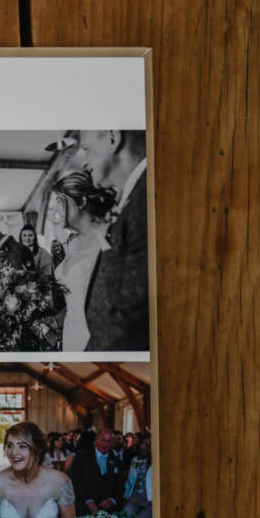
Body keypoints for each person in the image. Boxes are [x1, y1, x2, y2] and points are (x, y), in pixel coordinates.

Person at [74, 129, 149, 351]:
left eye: (86, 149)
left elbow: (134, 318)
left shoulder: (146, 200)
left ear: (113, 138)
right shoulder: (134, 198)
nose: (84, 163)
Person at [47, 170, 120, 351]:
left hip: (94, 337)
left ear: (81, 202)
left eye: (60, 201)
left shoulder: (105, 240)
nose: (56, 209)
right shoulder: (71, 243)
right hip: (70, 336)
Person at [0, 422, 76, 518]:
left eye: (22, 446)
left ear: (38, 449)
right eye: (9, 445)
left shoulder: (59, 481)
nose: (13, 452)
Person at [69, 429, 125, 514]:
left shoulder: (118, 462)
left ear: (113, 444)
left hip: (108, 507)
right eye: (103, 440)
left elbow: (120, 485)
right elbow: (76, 481)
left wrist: (112, 500)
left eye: (109, 441)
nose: (105, 444)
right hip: (84, 504)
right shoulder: (81, 457)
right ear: (95, 441)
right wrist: (88, 501)